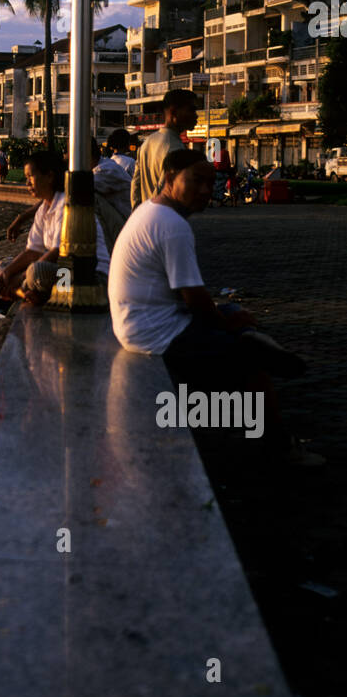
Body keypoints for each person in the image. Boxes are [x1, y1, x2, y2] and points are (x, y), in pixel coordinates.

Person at [108, 149, 322, 467]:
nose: (207, 191)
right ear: (169, 178)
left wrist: (227, 317)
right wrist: (226, 325)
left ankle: (253, 341)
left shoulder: (151, 211)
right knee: (252, 366)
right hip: (154, 333)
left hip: (141, 321)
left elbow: (190, 295)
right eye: (197, 181)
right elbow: (194, 297)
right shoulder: (171, 225)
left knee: (234, 314)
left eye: (211, 182)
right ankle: (278, 446)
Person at [0, 150, 109, 305]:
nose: (27, 183)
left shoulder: (65, 205)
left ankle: (26, 291)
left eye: (30, 177)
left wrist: (20, 277)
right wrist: (7, 274)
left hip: (86, 276)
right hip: (59, 271)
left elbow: (56, 252)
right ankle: (27, 292)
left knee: (36, 272)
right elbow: (33, 251)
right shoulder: (43, 209)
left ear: (49, 176)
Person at [130, 89, 197, 209]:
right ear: (174, 112)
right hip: (163, 214)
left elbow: (135, 185)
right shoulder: (175, 149)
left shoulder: (148, 142)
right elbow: (163, 189)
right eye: (191, 110)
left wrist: (138, 213)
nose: (196, 115)